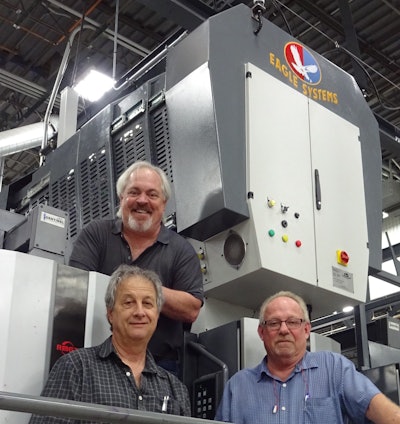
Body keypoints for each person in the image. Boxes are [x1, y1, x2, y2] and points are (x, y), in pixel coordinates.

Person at [68, 160, 204, 376]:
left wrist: (145, 290)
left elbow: (191, 308)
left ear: (164, 204)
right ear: (121, 198)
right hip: (95, 358)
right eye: (134, 192)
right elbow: (76, 285)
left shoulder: (181, 250)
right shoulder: (96, 234)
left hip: (158, 369)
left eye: (152, 194)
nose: (142, 200)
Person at [29, 264, 191, 424]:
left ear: (157, 314)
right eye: (129, 302)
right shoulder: (76, 368)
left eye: (148, 303)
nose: (140, 312)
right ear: (110, 313)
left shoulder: (175, 389)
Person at [215, 290, 400, 423]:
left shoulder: (333, 368)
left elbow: (388, 415)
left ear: (306, 330)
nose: (284, 330)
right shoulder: (238, 386)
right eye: (274, 323)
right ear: (262, 332)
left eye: (293, 322)